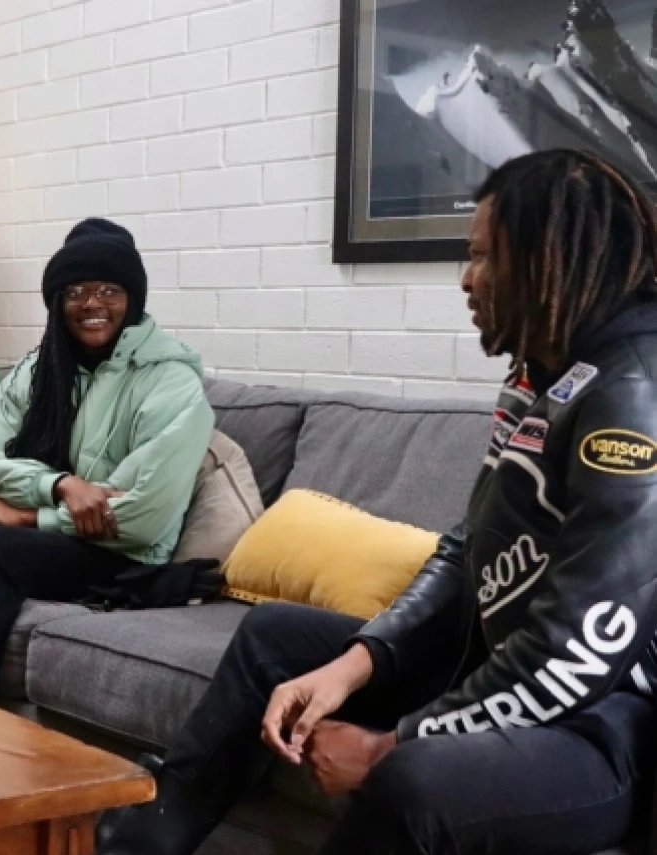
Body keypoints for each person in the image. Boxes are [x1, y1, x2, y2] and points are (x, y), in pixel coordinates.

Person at [97, 149, 657, 855]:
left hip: (596, 723)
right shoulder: (536, 371)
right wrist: (355, 661)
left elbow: (577, 652)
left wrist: (393, 742)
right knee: (276, 639)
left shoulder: (633, 393)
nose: (466, 277)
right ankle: (141, 839)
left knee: (415, 780)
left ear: (548, 258)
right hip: (490, 661)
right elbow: (466, 549)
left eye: (484, 257)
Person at [0, 217, 216, 701]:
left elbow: (143, 520)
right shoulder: (41, 368)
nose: (92, 304)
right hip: (71, 528)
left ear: (132, 299)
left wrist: (27, 516)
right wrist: (59, 487)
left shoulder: (171, 382)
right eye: (76, 291)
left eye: (110, 290)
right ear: (58, 301)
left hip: (127, 558)